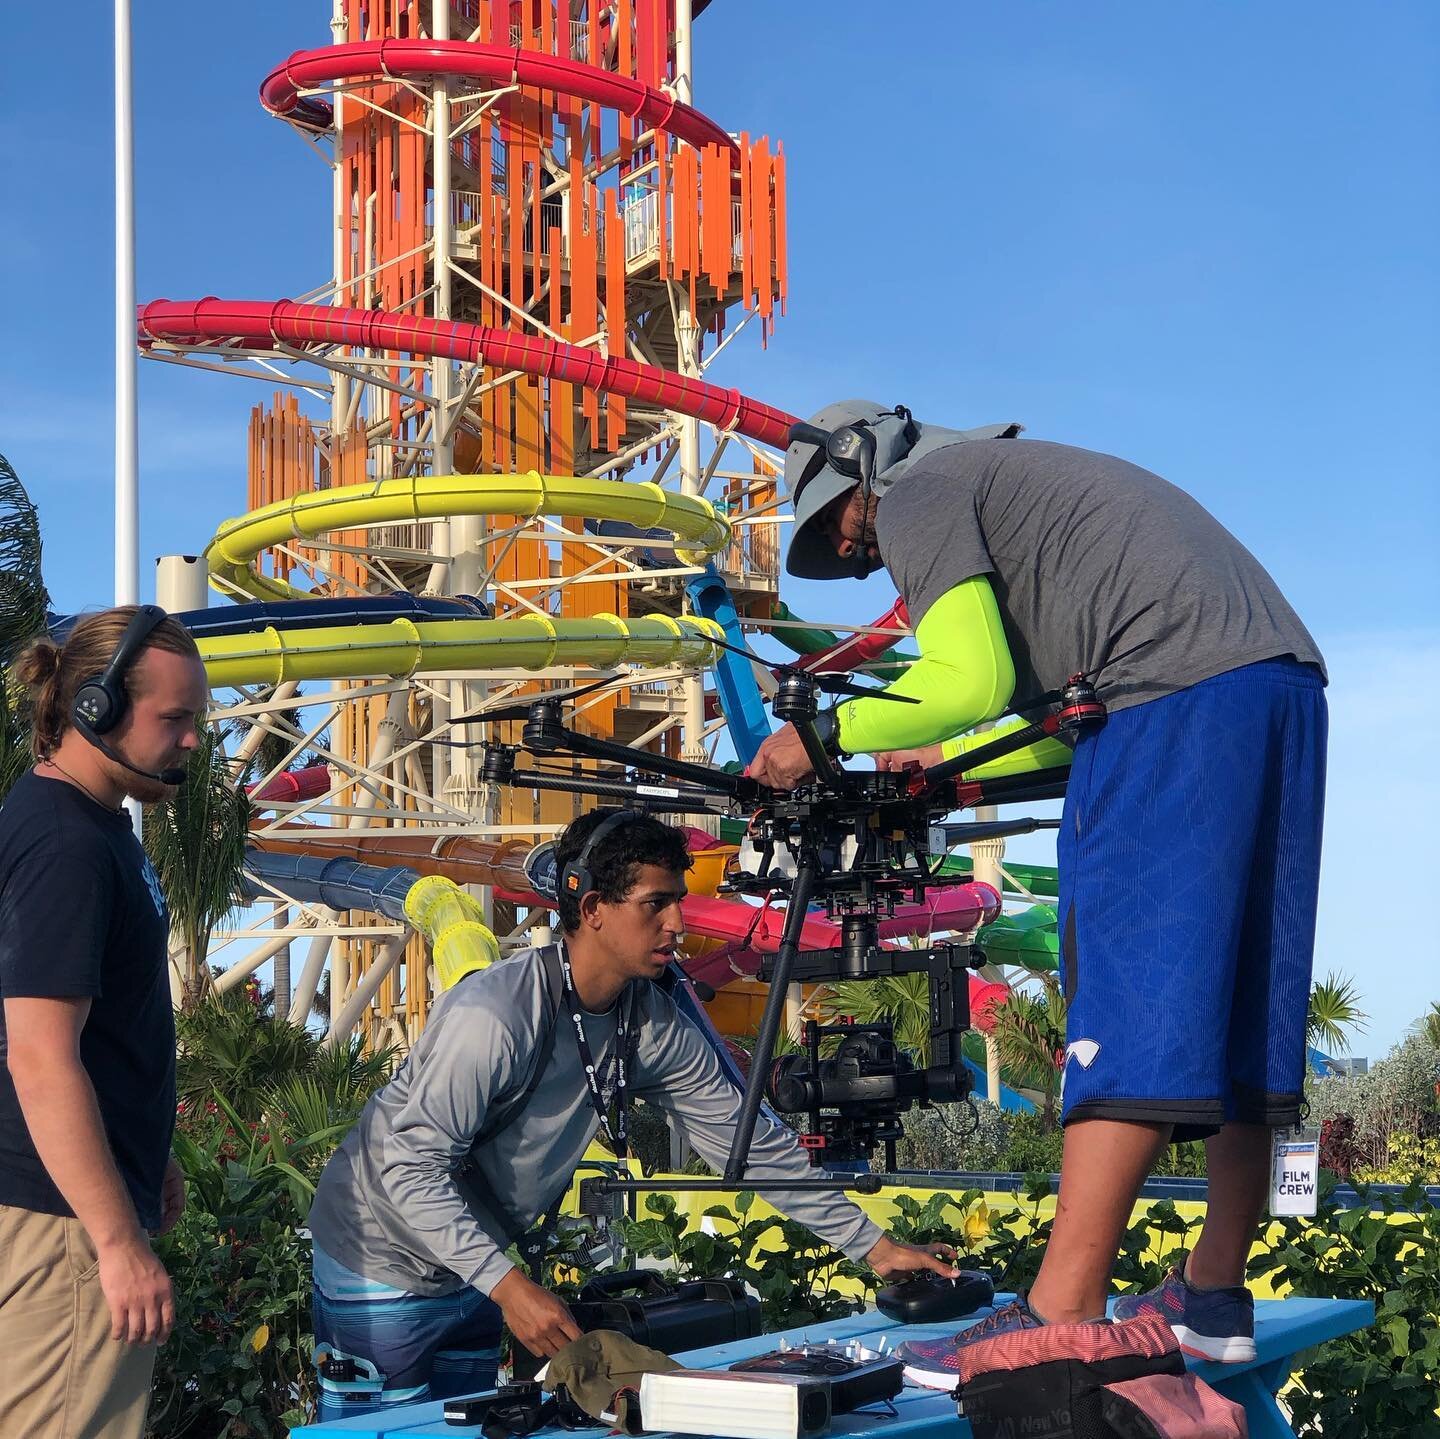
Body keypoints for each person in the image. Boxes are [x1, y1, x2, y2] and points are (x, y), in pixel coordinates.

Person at [750, 401, 1327, 1367]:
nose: (862, 556)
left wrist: (818, 739)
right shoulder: (1022, 491)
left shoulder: (924, 490)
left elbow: (967, 677)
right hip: (1277, 687)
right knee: (1241, 1001)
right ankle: (1214, 1292)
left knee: (1126, 980)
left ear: (865, 469)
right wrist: (931, 749)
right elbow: (1019, 700)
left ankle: (1060, 1307)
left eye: (843, 527)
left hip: (1168, 689)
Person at [306, 807, 957, 1417]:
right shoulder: (495, 1016)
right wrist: (508, 1286)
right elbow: (409, 1168)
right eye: (656, 903)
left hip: (473, 1262)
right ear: (592, 908)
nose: (678, 921)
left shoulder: (649, 1022)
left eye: (677, 899)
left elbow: (745, 1141)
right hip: (377, 1260)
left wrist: (872, 1246)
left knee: (460, 1425)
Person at [0, 604, 208, 1438]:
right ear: (96, 707)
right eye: (176, 718)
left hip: (70, 1206)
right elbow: (41, 1057)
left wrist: (142, 1155)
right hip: (64, 1230)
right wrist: (117, 1240)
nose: (193, 740)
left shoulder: (92, 826)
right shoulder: (67, 845)